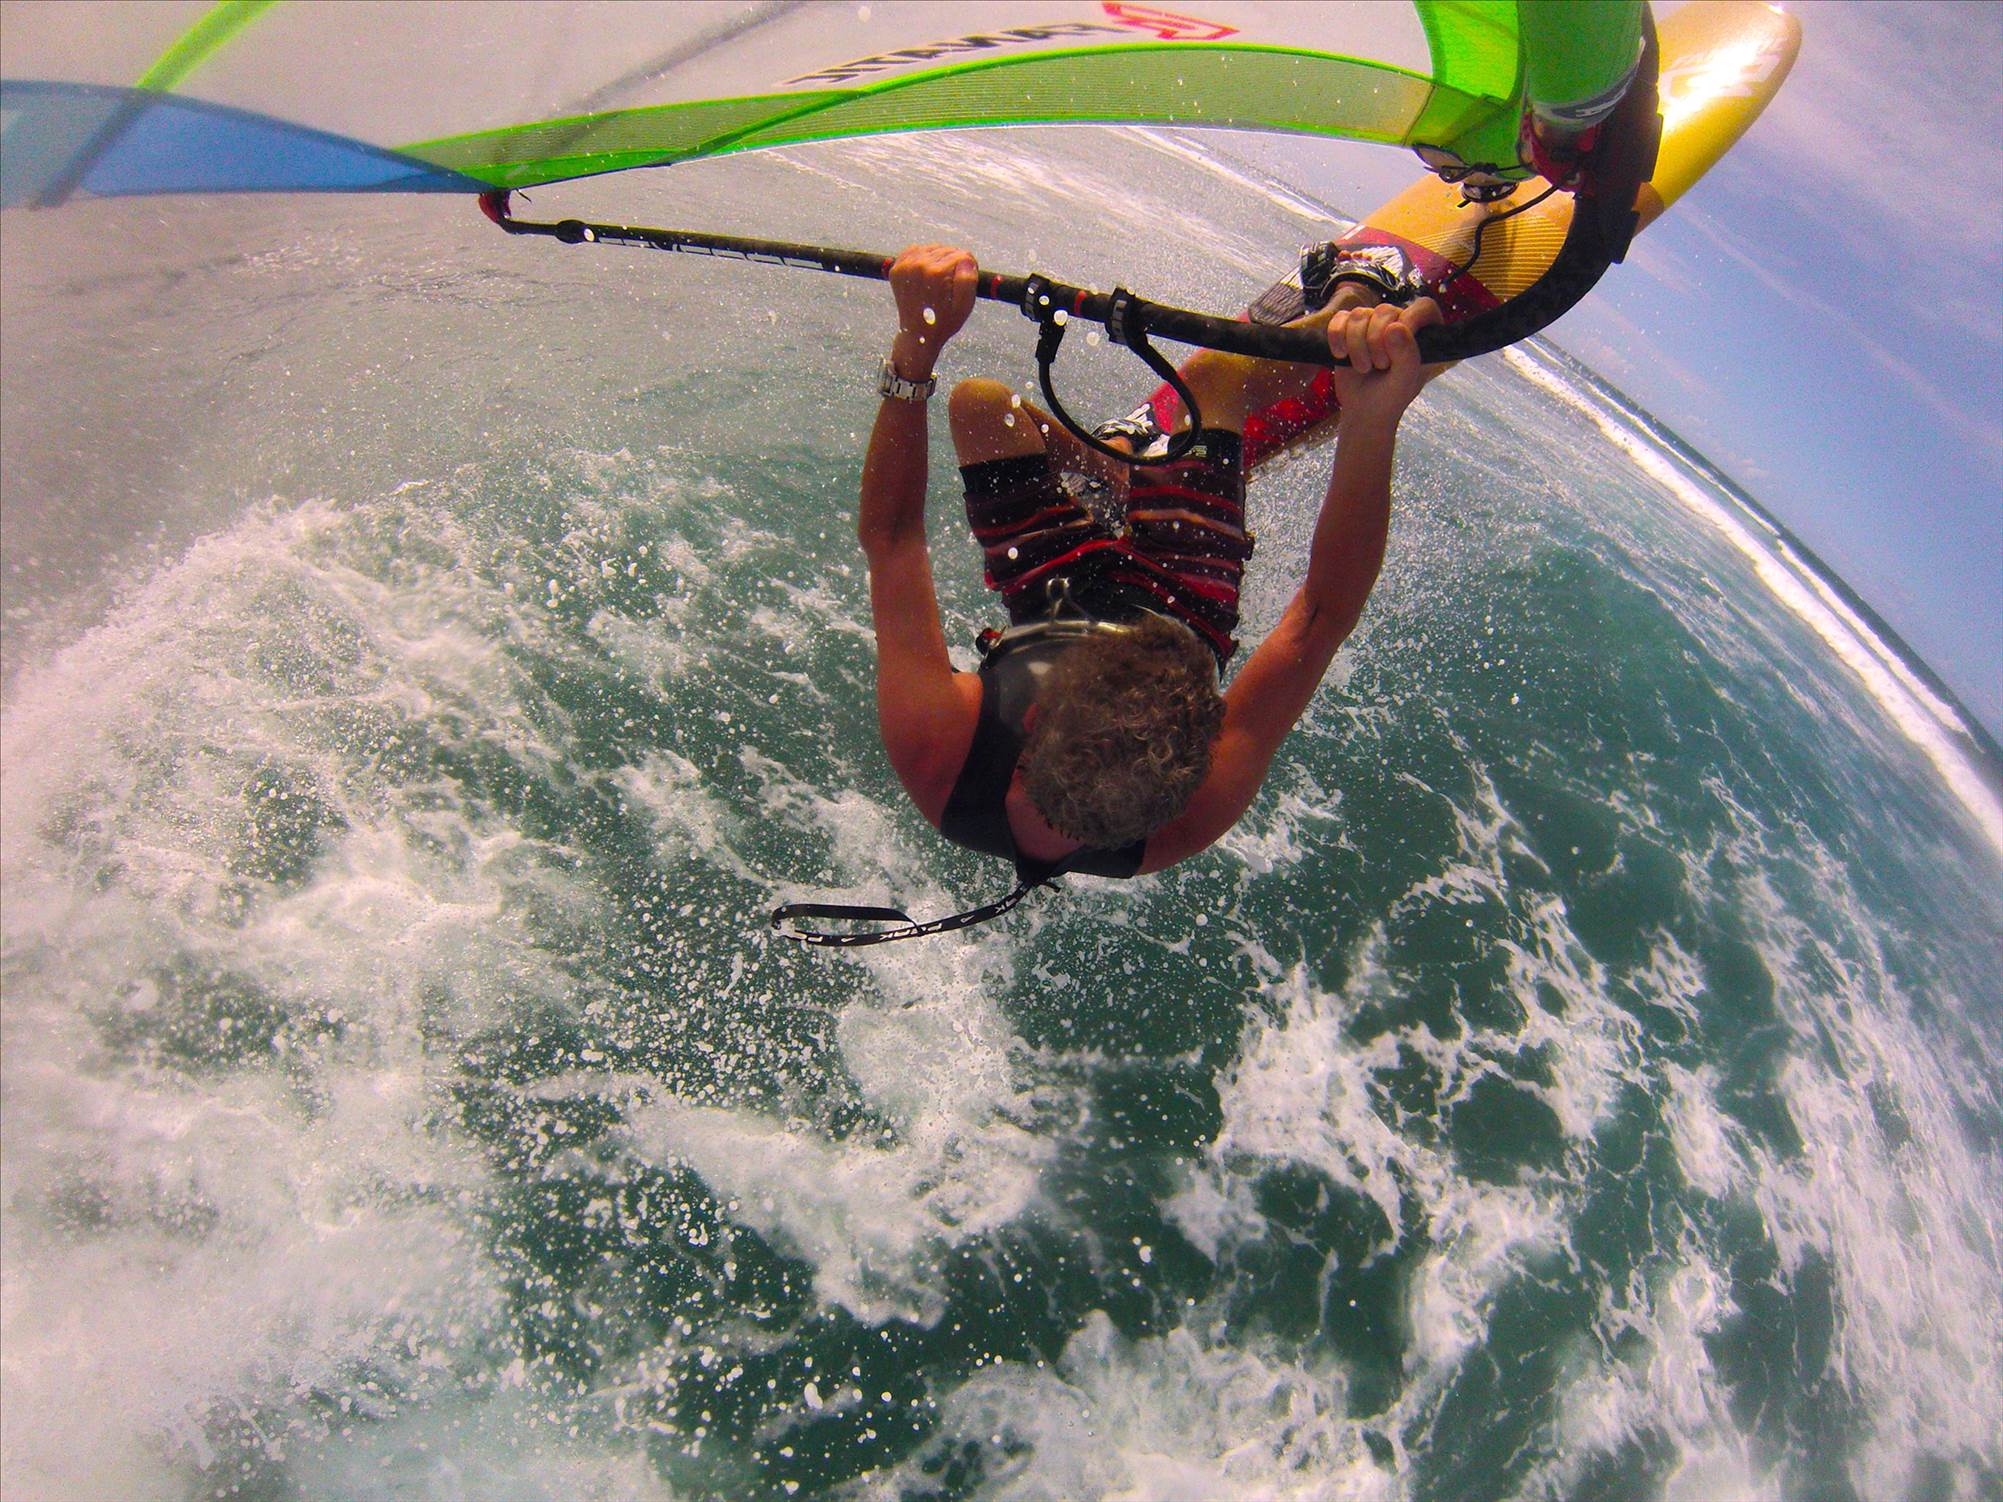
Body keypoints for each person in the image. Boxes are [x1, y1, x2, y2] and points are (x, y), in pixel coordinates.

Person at [853, 242, 1442, 915]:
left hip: (1051, 596)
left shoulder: (939, 750)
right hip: (1182, 599)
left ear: (1033, 717)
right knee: (1215, 379)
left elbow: (892, 538)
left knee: (981, 406)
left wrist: (917, 343)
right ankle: (1352, 299)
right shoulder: (1195, 814)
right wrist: (1371, 420)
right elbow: (1320, 617)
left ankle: (1114, 469)